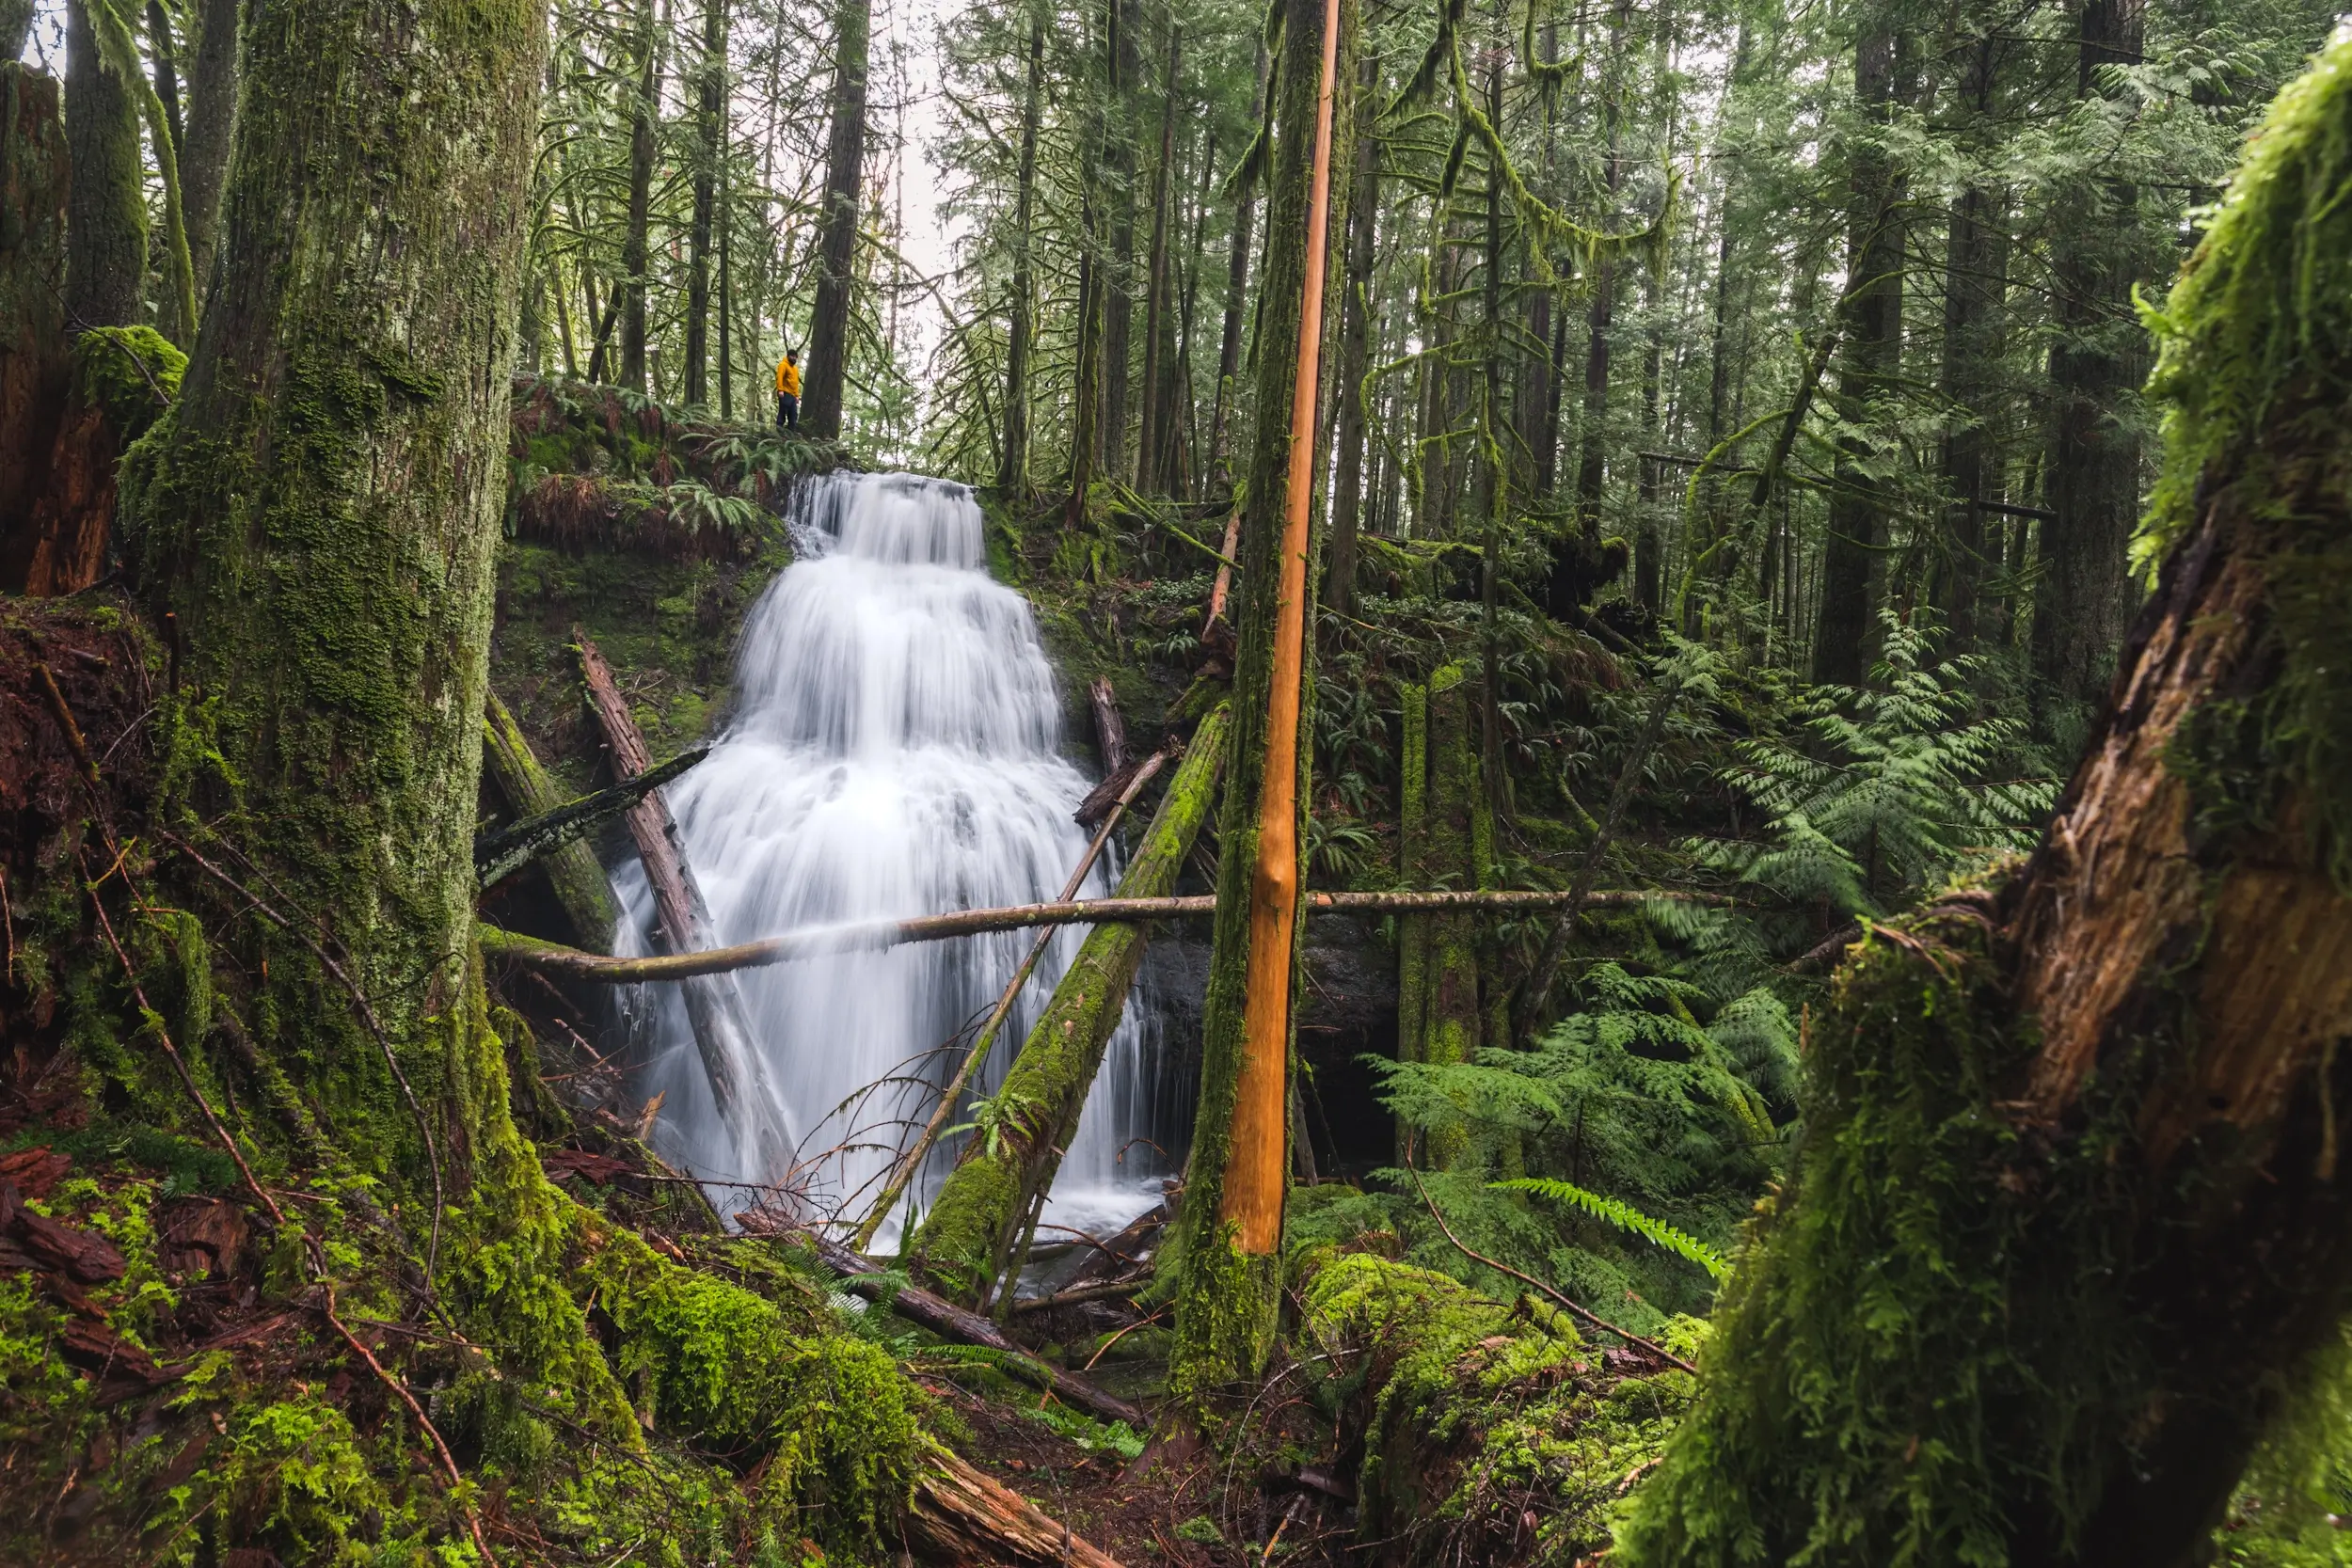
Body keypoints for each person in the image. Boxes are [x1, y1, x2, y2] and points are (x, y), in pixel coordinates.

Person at [774, 350, 802, 433]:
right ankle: (778, 431)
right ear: (788, 356)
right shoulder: (783, 365)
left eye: (795, 357)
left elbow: (796, 383)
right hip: (785, 393)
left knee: (793, 415)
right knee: (782, 412)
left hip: (793, 396)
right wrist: (780, 390)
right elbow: (779, 378)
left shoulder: (795, 369)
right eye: (792, 356)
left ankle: (790, 434)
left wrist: (797, 395)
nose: (794, 358)